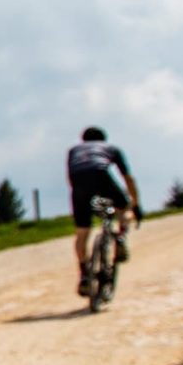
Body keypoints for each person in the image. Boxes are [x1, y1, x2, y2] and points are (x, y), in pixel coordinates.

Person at [66, 125, 140, 297]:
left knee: (82, 233)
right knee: (123, 206)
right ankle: (120, 238)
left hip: (78, 184)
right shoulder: (110, 148)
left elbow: (71, 175)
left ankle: (84, 273)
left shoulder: (74, 150)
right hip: (101, 175)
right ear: (103, 139)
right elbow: (127, 178)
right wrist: (135, 205)